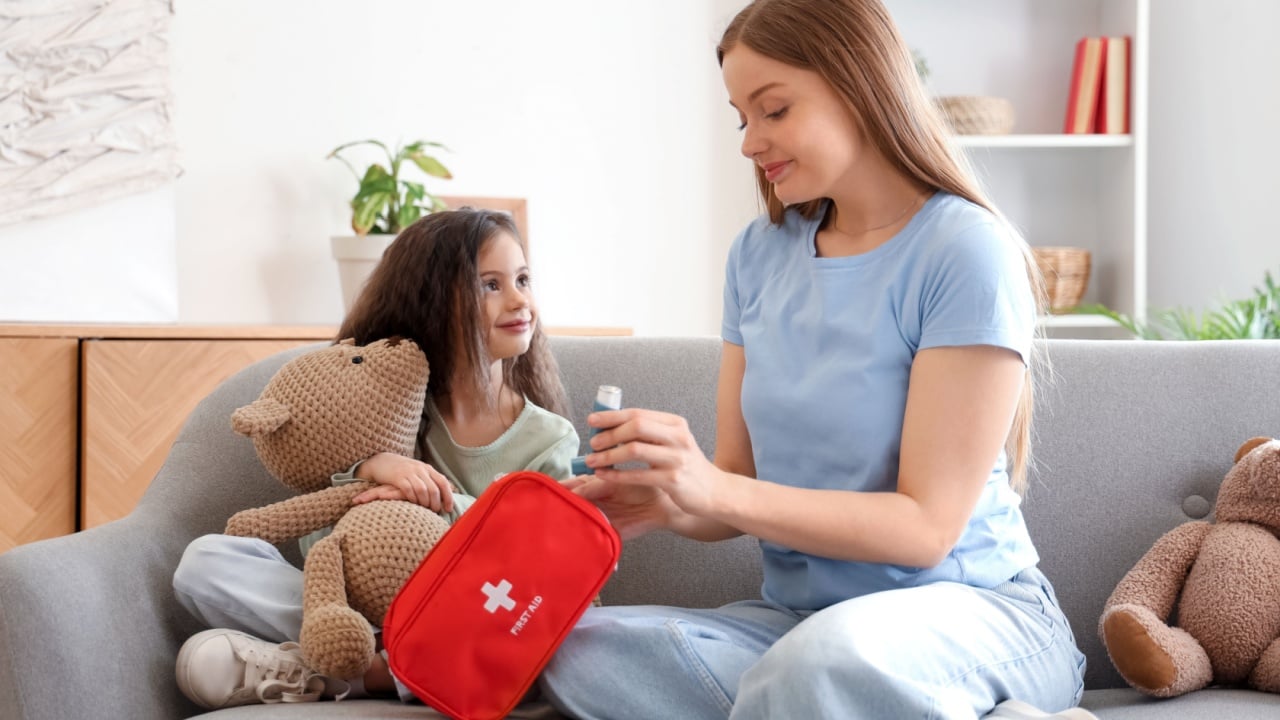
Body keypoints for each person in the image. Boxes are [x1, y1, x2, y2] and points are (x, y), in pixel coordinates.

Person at [537, 1, 1095, 719]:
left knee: (819, 666)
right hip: (802, 626)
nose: (749, 142)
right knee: (575, 649)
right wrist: (677, 500)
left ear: (860, 85)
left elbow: (926, 529)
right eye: (741, 117)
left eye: (773, 110)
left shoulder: (963, 251)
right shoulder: (756, 257)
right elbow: (738, 482)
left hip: (972, 615)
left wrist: (715, 489)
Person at [171, 208, 580, 709]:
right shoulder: (386, 402)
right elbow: (324, 543)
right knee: (204, 562)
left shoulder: (549, 439)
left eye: (521, 279)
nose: (520, 300)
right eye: (490, 285)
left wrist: (446, 501)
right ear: (434, 302)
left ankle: (344, 673)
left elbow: (544, 577)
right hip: (361, 608)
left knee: (552, 648)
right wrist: (368, 470)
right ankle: (363, 658)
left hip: (466, 623)